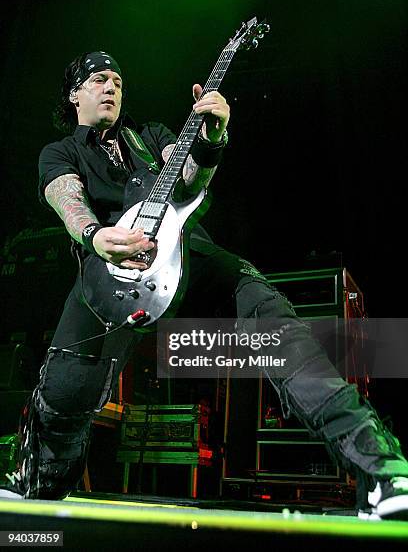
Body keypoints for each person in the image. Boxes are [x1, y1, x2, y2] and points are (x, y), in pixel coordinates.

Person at [1, 50, 408, 521]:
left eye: (116, 78)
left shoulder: (150, 136)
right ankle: (37, 485)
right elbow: (65, 197)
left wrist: (212, 139)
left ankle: (382, 471)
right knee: (63, 397)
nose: (111, 86)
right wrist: (95, 235)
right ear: (75, 94)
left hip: (187, 258)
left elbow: (190, 182)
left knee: (280, 329)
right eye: (98, 79)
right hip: (108, 278)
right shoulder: (61, 152)